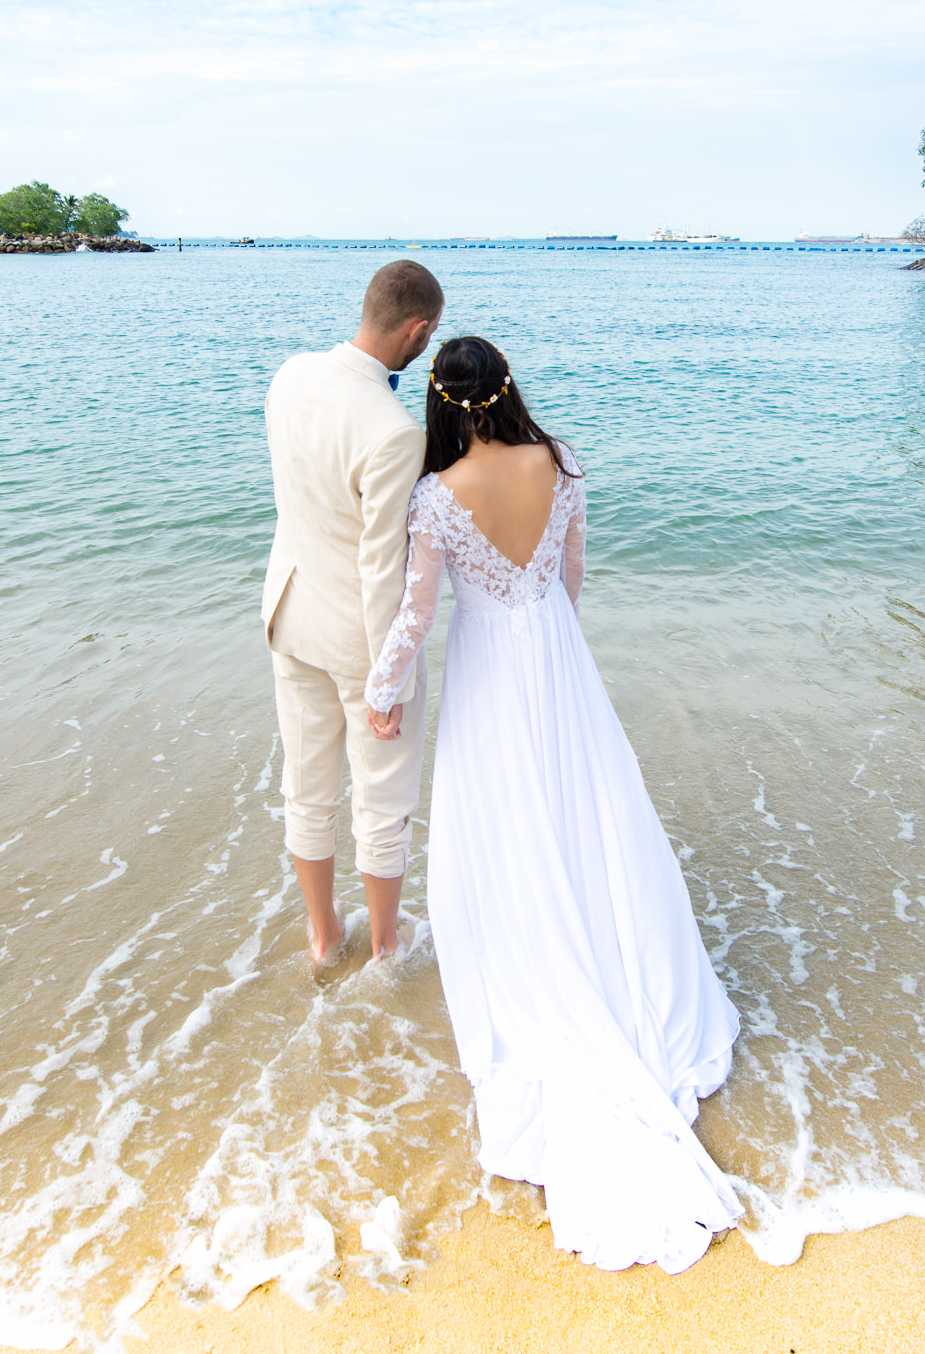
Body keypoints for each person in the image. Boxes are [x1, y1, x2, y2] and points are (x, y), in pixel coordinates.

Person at [362, 335, 742, 1273]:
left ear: (445, 406)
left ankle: (542, 965)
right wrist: (555, 646)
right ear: (508, 390)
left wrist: (382, 691)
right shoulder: (564, 463)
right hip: (557, 658)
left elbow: (416, 615)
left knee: (506, 830)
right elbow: (572, 578)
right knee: (592, 815)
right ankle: (621, 967)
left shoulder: (436, 498)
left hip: (492, 668)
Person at [262, 260, 444, 965]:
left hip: (288, 612)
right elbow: (380, 568)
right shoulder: (394, 429)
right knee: (381, 800)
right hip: (353, 639)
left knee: (305, 791)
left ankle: (322, 937)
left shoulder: (291, 375)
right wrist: (387, 681)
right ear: (417, 329)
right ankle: (386, 947)